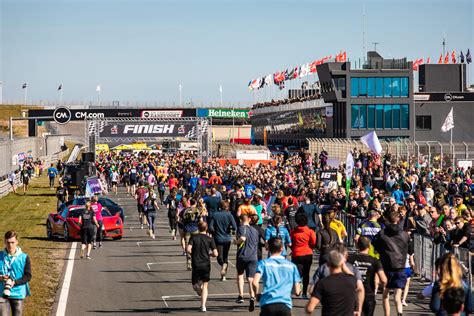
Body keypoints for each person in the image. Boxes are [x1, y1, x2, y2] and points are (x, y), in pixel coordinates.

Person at [373, 210, 410, 316]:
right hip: (400, 267)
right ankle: (399, 313)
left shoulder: (382, 233)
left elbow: (375, 246)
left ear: (387, 220)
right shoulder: (404, 234)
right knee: (397, 296)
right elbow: (409, 248)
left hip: (387, 267)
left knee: (385, 294)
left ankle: (387, 315)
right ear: (398, 220)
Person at [252, 237, 301, 316]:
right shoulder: (291, 266)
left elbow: (254, 282)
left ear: (268, 248)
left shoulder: (264, 263)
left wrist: (256, 294)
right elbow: (297, 291)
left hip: (268, 303)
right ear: (282, 249)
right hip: (284, 304)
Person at [305, 249, 359, 316]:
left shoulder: (322, 283)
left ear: (327, 264)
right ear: (342, 264)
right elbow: (352, 276)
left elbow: (309, 309)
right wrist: (343, 266)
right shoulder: (352, 280)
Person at [348, 236, 387, 316]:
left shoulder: (350, 259)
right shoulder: (375, 261)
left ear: (357, 246)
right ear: (369, 246)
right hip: (368, 294)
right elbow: (383, 280)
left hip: (353, 294)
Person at [186, 221, 218, 313]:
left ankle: (199, 290)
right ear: (206, 228)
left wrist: (193, 254)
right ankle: (203, 306)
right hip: (206, 264)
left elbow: (188, 249)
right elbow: (216, 253)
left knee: (195, 284)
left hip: (196, 263)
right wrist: (210, 255)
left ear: (198, 228)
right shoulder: (210, 239)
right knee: (205, 285)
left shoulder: (194, 237)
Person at [0, 230, 31, 316]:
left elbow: (28, 276)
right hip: (2, 293)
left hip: (18, 294)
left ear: (17, 242)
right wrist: (1, 277)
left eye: (13, 242)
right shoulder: (0, 256)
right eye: (8, 242)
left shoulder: (24, 257)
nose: (10, 245)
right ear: (4, 242)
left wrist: (15, 282)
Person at [234, 214, 259, 311]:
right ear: (249, 220)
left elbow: (242, 239)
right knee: (250, 279)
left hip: (242, 256)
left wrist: (235, 242)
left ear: (241, 220)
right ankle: (252, 296)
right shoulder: (255, 230)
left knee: (240, 275)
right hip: (253, 256)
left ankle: (241, 295)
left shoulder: (240, 229)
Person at [209, 201, 237, 281]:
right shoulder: (230, 215)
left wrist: (214, 232)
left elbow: (210, 227)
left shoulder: (215, 215)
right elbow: (235, 227)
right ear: (227, 207)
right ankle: (223, 275)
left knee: (219, 257)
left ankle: (223, 265)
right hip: (227, 238)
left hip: (218, 238)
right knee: (225, 256)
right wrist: (231, 230)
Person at [290, 213, 316, 298]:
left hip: (296, 254)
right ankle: (304, 293)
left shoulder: (293, 232)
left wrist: (293, 248)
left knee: (298, 273)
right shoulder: (310, 231)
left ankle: (297, 287)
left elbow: (291, 243)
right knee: (306, 273)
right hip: (308, 253)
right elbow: (313, 243)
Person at [180, 199, 201, 270]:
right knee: (196, 245)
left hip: (187, 229)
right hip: (195, 229)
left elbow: (180, 219)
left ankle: (189, 262)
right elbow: (200, 220)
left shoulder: (185, 210)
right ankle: (195, 260)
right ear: (195, 203)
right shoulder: (197, 210)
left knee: (187, 245)